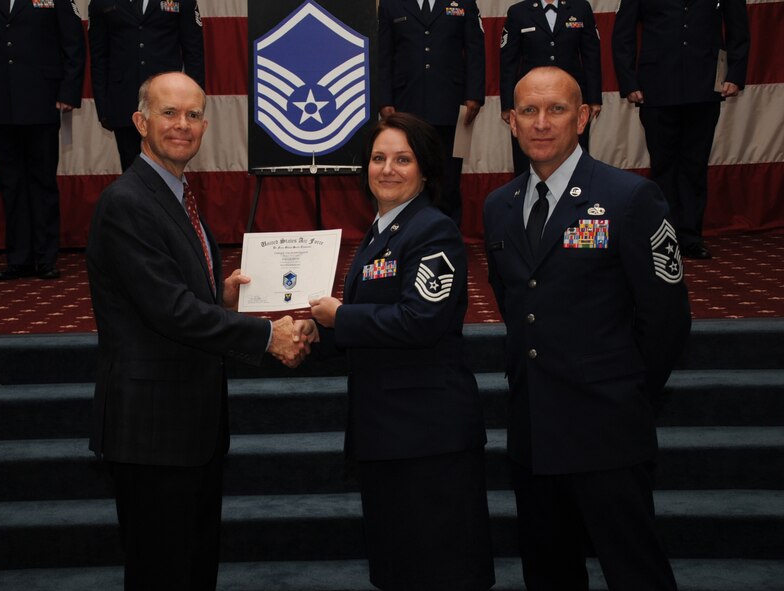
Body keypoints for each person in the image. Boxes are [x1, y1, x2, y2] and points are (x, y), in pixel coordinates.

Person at [86, 72, 304, 590]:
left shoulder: (177, 195)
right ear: (140, 122)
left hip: (192, 428)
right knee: (162, 572)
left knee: (192, 567)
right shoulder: (128, 202)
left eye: (192, 115)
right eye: (168, 113)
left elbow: (174, 299)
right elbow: (171, 312)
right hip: (152, 434)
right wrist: (266, 336)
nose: (181, 125)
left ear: (205, 125)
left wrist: (221, 299)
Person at [482, 67, 690, 589]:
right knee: (549, 574)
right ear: (510, 121)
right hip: (533, 431)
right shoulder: (498, 208)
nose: (541, 123)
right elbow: (515, 303)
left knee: (635, 571)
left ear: (585, 116)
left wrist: (626, 392)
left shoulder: (628, 198)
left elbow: (665, 318)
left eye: (556, 109)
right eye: (528, 111)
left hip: (608, 431)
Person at [300, 112, 495, 591]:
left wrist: (338, 317)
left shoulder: (432, 230)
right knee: (400, 567)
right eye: (378, 158)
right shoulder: (381, 232)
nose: (387, 169)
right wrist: (307, 336)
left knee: (440, 571)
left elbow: (420, 320)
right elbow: (373, 329)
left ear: (425, 170)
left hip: (428, 438)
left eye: (402, 160)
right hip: (390, 433)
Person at [0, 0, 86, 280]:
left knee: (43, 181)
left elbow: (73, 44)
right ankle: (19, 258)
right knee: (11, 183)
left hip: (43, 100)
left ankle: (46, 258)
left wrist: (69, 92)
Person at [612, 0, 750, 260]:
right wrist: (628, 81)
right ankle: (664, 237)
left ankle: (689, 237)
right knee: (663, 166)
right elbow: (623, 33)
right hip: (656, 86)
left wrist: (735, 74)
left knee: (694, 166)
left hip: (705, 84)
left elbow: (738, 28)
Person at [377, 0, 486, 225]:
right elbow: (384, 55)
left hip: (452, 104)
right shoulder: (390, 5)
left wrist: (474, 95)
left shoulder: (464, 2)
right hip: (406, 102)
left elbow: (475, 48)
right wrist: (384, 99)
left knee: (448, 178)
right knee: (406, 174)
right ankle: (404, 234)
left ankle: (447, 234)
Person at [88, 0, 205, 172]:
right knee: (131, 168)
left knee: (169, 166)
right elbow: (98, 57)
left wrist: (194, 105)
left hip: (168, 100)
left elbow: (194, 52)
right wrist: (103, 109)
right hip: (124, 99)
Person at [499, 0, 601, 176]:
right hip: (531, 99)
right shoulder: (518, 12)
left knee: (573, 154)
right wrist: (508, 104)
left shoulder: (580, 8)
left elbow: (591, 55)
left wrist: (593, 99)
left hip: (570, 100)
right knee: (528, 157)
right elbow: (508, 62)